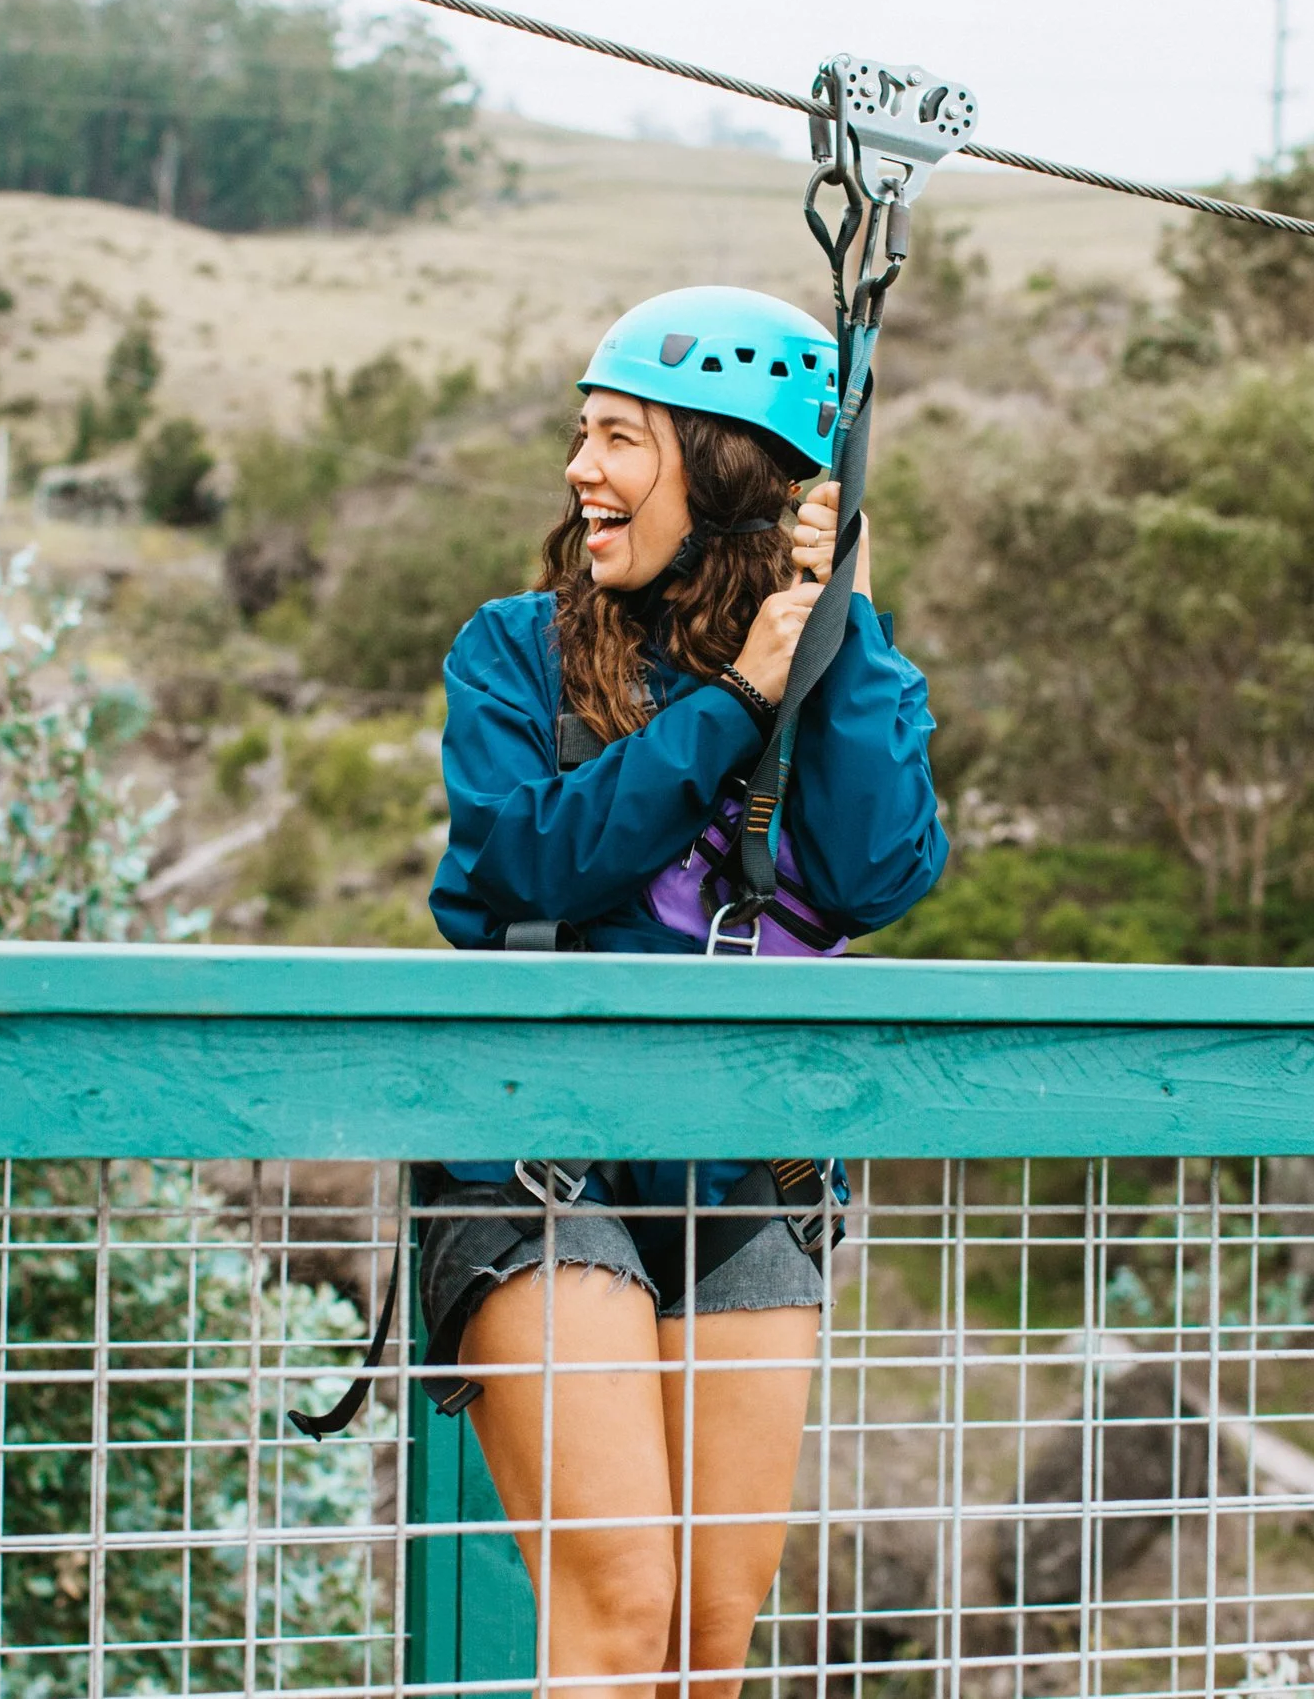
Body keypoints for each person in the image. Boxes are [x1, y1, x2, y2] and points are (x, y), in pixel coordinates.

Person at [421, 286, 945, 1698]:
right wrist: (733, 704)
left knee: (707, 1641)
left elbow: (879, 871)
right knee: (621, 1605)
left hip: (742, 1163)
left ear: (719, 471)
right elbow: (527, 861)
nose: (582, 471)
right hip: (542, 1154)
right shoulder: (515, 651)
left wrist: (844, 629)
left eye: (622, 440)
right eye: (584, 436)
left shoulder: (819, 667)